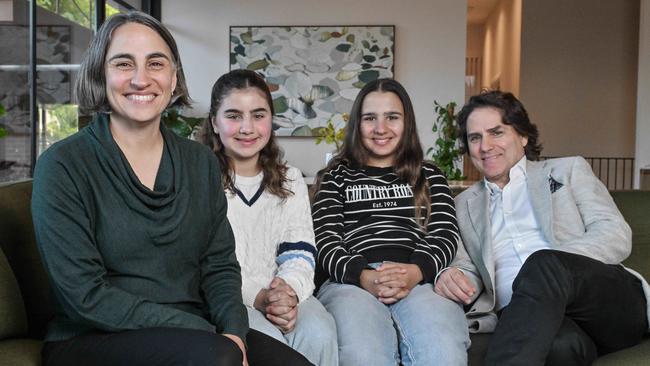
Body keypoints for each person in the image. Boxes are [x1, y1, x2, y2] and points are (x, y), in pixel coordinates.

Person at [31, 11, 312, 366]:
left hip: (200, 335)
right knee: (218, 357)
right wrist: (209, 335)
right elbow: (84, 296)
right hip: (93, 336)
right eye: (123, 63)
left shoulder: (200, 162)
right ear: (101, 74)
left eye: (155, 63)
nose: (140, 78)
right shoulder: (62, 165)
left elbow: (220, 267)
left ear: (174, 76)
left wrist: (234, 333)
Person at [435, 90, 650, 365]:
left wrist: (554, 266)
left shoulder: (568, 170)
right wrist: (451, 276)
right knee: (562, 347)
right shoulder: (461, 204)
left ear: (523, 135)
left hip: (605, 301)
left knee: (542, 263)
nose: (485, 146)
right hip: (532, 318)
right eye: (475, 137)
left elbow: (614, 233)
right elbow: (468, 269)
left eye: (496, 132)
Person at [311, 78, 470, 366]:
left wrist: (416, 271)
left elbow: (444, 233)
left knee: (442, 352)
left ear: (406, 122)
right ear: (357, 124)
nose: (380, 128)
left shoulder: (430, 175)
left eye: (392, 117)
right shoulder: (335, 177)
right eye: (370, 118)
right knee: (364, 355)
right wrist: (364, 276)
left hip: (421, 280)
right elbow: (325, 241)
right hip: (350, 282)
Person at [198, 69, 338, 366]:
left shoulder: (291, 178)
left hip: (285, 293)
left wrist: (287, 292)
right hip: (228, 298)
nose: (247, 127)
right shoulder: (199, 178)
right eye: (234, 115)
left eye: (258, 115)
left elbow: (300, 251)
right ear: (214, 122)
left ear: (271, 121)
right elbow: (203, 263)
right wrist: (260, 297)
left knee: (320, 332)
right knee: (267, 342)